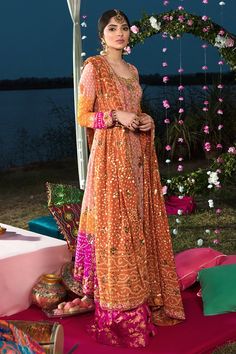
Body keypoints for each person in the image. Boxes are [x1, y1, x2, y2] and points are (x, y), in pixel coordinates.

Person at [73, 9, 185, 347]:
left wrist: (145, 120)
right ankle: (119, 309)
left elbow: (134, 112)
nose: (119, 33)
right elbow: (82, 115)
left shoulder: (132, 70)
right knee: (116, 231)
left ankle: (142, 293)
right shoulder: (94, 67)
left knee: (136, 225)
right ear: (101, 35)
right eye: (111, 28)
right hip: (109, 162)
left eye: (123, 28)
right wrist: (114, 115)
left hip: (136, 160)